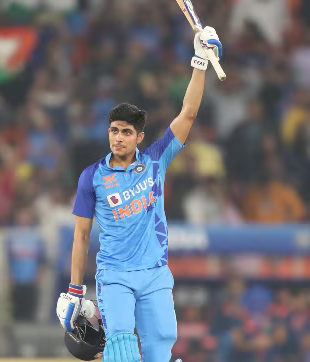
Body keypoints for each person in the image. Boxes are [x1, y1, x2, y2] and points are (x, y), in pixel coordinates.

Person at [55, 27, 223, 362]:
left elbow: (187, 113)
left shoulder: (156, 160)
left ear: (139, 137)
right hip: (114, 274)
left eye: (126, 132)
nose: (118, 138)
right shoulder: (92, 177)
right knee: (121, 346)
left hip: (156, 271)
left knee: (162, 342)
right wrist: (75, 288)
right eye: (114, 131)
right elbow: (82, 235)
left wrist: (200, 61)